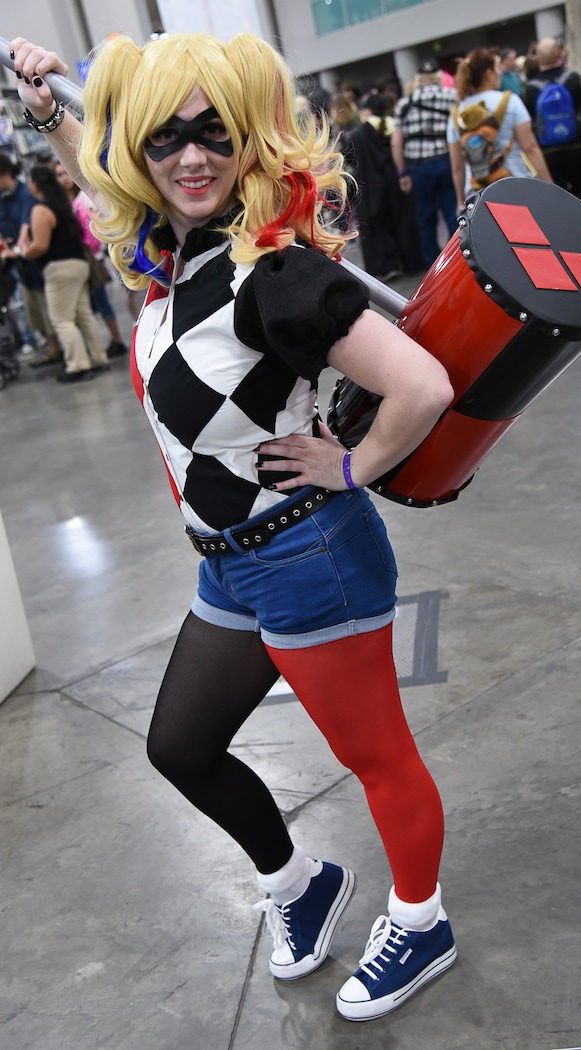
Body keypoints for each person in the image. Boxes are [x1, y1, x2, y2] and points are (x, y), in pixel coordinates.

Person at [11, 31, 456, 1021]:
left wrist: (351, 465)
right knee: (181, 745)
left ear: (252, 138)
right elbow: (109, 175)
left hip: (310, 559)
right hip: (228, 570)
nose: (192, 158)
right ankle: (300, 881)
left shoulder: (277, 274)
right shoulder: (171, 255)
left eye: (215, 134)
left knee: (376, 755)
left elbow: (422, 385)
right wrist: (51, 109)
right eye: (166, 141)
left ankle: (421, 921)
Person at [4, 164, 109, 382]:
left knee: (61, 319)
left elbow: (40, 246)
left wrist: (23, 251)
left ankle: (78, 366)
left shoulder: (41, 209)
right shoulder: (61, 203)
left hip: (59, 268)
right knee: (83, 315)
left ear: (35, 184)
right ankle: (98, 358)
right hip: (78, 264)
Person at [447, 48, 553, 210]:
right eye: (497, 69)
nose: (499, 74)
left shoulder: (456, 113)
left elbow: (457, 166)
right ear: (489, 73)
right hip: (515, 182)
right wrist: (550, 185)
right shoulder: (510, 101)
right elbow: (530, 147)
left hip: (477, 193)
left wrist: (461, 200)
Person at [345, 91, 423, 280]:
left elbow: (348, 158)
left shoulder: (359, 135)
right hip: (397, 183)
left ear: (368, 110)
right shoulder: (396, 129)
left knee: (377, 228)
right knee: (402, 223)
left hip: (371, 187)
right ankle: (410, 262)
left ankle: (384, 266)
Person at [54, 161, 129, 358]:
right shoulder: (62, 202)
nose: (64, 178)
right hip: (80, 256)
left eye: (65, 172)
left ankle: (117, 339)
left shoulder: (84, 198)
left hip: (95, 256)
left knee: (102, 299)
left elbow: (96, 230)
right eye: (59, 174)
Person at [391, 58, 457, 268]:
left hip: (419, 166)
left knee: (425, 218)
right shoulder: (452, 97)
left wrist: (402, 173)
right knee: (452, 213)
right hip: (447, 161)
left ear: (418, 79)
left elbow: (396, 143)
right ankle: (461, 261)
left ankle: (434, 266)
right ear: (439, 77)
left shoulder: (404, 103)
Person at [0, 152, 62, 365]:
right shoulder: (3, 199)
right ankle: (51, 347)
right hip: (18, 263)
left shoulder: (26, 194)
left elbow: (27, 227)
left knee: (48, 306)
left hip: (37, 259)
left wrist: (17, 247)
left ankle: (58, 349)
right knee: (33, 307)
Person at [524, 37, 581, 205]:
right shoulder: (575, 79)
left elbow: (529, 123)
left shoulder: (529, 90)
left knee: (558, 196)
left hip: (549, 151)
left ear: (538, 59)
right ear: (560, 53)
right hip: (575, 145)